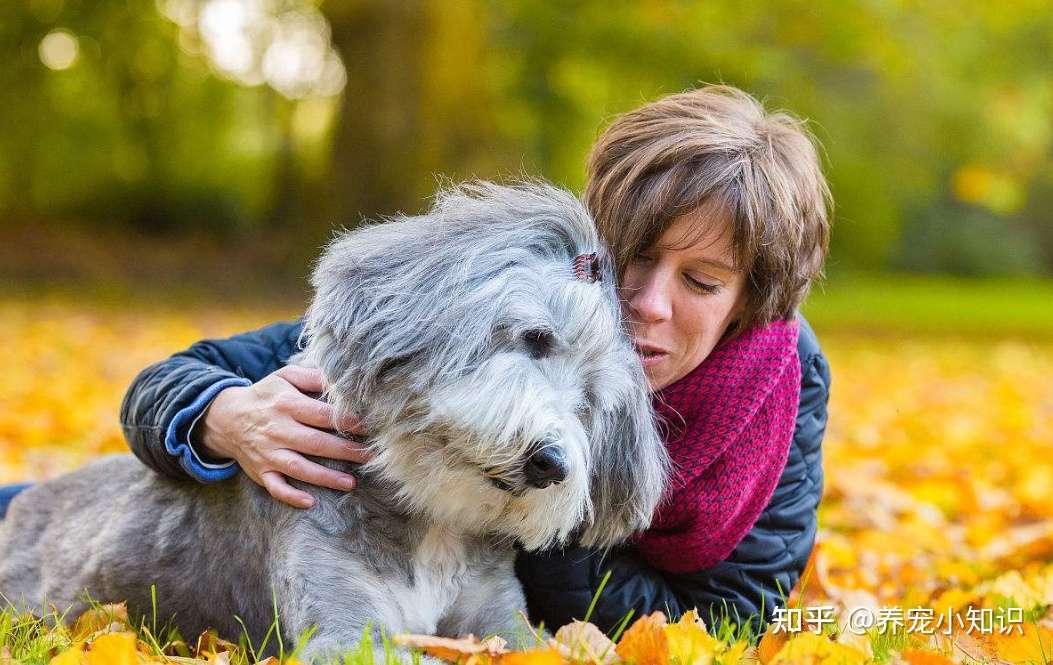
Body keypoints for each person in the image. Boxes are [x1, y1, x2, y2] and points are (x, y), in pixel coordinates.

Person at [0, 85, 832, 638]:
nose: (646, 303)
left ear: (749, 298)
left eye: (700, 280)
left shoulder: (779, 395)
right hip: (108, 521)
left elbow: (731, 620)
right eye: (632, 258)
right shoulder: (502, 303)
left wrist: (537, 501)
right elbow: (173, 380)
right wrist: (222, 415)